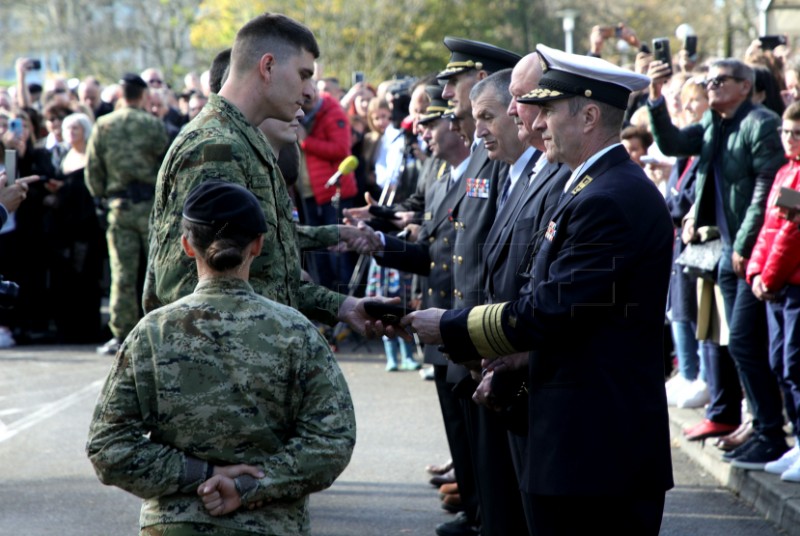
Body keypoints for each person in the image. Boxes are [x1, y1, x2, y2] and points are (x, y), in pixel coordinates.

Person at [400, 44, 675, 535]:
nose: (534, 122)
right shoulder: (591, 188)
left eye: (546, 109)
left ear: (589, 116)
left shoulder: (608, 198)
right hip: (577, 442)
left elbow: (552, 310)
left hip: (595, 449)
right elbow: (586, 314)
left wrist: (449, 326)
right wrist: (514, 360)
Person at [86, 180, 355, 535]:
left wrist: (201, 474)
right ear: (258, 245)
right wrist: (253, 484)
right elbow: (332, 441)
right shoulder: (295, 331)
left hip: (174, 524)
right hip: (269, 525)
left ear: (186, 245)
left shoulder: (152, 332)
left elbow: (109, 447)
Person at [143, 12, 374, 338]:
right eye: (303, 75)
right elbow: (196, 289)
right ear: (267, 67)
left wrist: (342, 306)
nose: (309, 92)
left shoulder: (244, 142)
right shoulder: (217, 149)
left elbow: (265, 276)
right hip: (218, 365)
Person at [648, 57, 789, 469]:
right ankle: (764, 431)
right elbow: (674, 144)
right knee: (738, 344)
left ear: (745, 86)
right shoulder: (714, 122)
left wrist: (744, 243)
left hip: (751, 250)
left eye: (719, 80)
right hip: (726, 252)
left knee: (747, 343)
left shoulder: (760, 123)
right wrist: (656, 99)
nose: (710, 86)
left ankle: (770, 434)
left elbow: (765, 186)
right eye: (707, 80)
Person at [86, 73, 169, 355]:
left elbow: (93, 170)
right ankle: (160, 330)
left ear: (120, 95)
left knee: (122, 272)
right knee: (156, 272)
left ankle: (122, 334)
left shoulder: (104, 125)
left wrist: (102, 197)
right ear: (143, 95)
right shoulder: (152, 125)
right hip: (150, 209)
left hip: (119, 207)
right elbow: (167, 165)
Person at [747, 101, 800, 481]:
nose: (789, 138)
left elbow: (791, 235)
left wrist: (769, 275)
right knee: (780, 363)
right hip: (775, 284)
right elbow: (768, 230)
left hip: (791, 284)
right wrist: (755, 272)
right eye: (785, 131)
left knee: (795, 365)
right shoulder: (785, 171)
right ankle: (797, 441)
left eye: (796, 133)